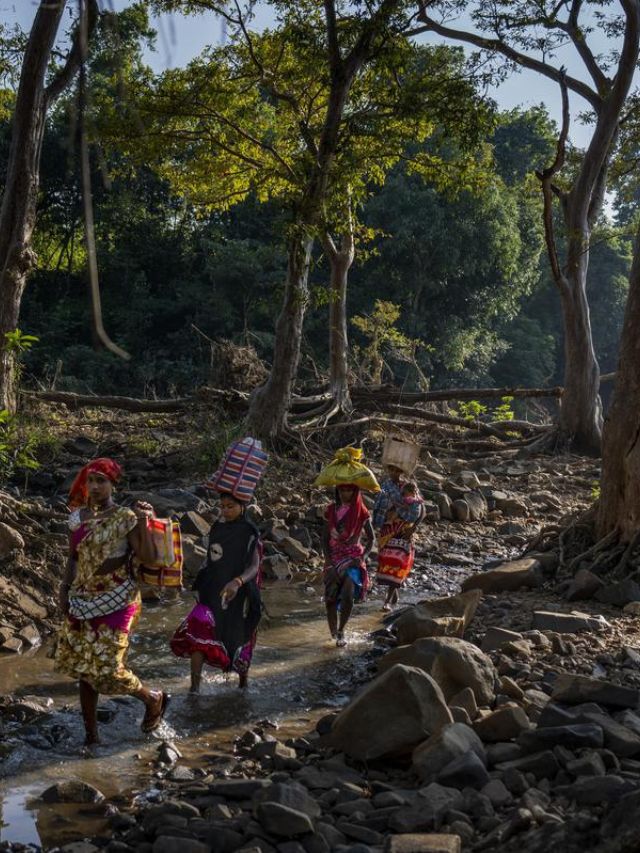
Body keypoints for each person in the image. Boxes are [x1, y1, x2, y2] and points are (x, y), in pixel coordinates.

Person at [55, 458, 170, 747]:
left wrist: (143, 522)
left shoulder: (125, 518)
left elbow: (149, 557)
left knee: (108, 667)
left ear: (113, 484)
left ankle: (152, 698)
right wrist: (64, 590)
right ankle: (92, 737)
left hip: (119, 599)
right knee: (84, 669)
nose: (94, 487)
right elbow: (73, 558)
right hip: (83, 599)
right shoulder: (77, 519)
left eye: (101, 481)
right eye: (90, 481)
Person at [170, 493, 262, 691]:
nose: (226, 511)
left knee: (240, 640)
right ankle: (194, 690)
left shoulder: (249, 532)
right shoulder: (217, 529)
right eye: (223, 506)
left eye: (231, 506)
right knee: (199, 633)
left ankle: (242, 686)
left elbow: (254, 566)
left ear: (243, 506)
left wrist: (237, 582)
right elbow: (211, 559)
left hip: (240, 595)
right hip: (212, 591)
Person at [322, 484, 375, 647]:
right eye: (343, 490)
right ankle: (333, 635)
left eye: (350, 490)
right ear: (337, 491)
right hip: (334, 558)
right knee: (331, 598)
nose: (346, 494)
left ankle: (341, 630)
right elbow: (324, 539)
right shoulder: (330, 510)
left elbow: (371, 539)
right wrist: (329, 562)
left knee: (348, 593)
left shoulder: (361, 511)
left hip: (353, 558)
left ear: (356, 491)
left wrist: (363, 558)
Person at [373, 465, 425, 611]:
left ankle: (387, 601)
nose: (394, 473)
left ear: (403, 472)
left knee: (398, 563)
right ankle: (394, 595)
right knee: (387, 562)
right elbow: (379, 507)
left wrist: (414, 528)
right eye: (392, 470)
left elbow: (422, 510)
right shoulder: (385, 486)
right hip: (388, 531)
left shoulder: (409, 486)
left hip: (404, 531)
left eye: (398, 470)